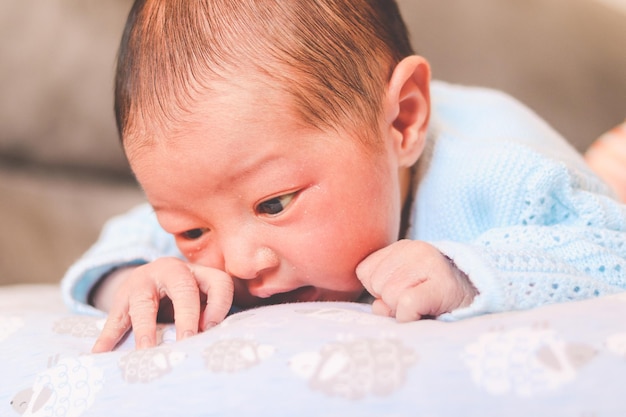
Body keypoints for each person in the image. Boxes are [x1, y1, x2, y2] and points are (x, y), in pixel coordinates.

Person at [62, 0, 626, 353]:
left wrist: (467, 272)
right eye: (191, 232)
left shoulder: (503, 179)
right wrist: (137, 279)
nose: (237, 264)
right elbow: (122, 246)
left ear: (401, 121)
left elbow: (609, 251)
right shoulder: (216, 194)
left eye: (275, 204)